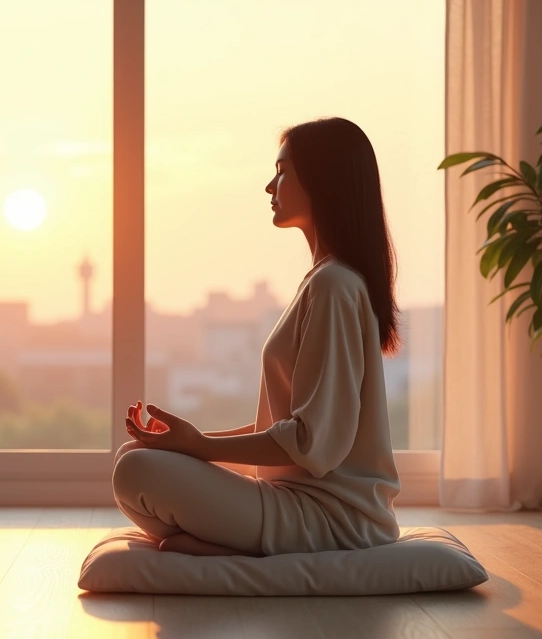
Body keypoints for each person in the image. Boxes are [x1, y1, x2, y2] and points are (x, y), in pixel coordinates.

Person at [112, 117, 403, 558]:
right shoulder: (323, 282)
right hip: (298, 503)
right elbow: (286, 430)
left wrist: (201, 446)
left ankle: (248, 549)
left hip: (333, 519)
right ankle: (236, 545)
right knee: (133, 458)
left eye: (283, 171)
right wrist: (189, 445)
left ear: (322, 181)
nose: (271, 186)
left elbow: (313, 443)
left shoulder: (334, 287)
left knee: (135, 470)